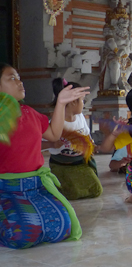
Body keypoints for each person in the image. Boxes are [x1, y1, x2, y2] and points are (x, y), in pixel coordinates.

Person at [0, 63, 89, 249]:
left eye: (19, 77)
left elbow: (54, 135)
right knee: (24, 235)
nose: (20, 82)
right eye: (12, 78)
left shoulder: (30, 113)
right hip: (7, 188)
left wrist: (61, 103)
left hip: (36, 186)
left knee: (61, 227)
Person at [42, 78, 102, 199]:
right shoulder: (53, 124)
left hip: (80, 162)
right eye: (82, 101)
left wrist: (91, 146)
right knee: (71, 193)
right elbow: (38, 145)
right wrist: (52, 145)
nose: (83, 104)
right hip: (62, 164)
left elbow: (86, 135)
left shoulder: (80, 117)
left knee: (95, 190)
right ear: (73, 102)